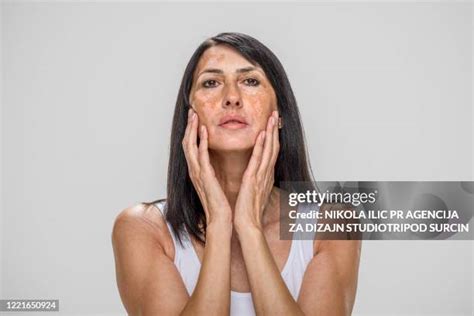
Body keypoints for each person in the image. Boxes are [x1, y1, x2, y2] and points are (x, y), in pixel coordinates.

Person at [112, 32, 361, 316]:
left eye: (250, 81)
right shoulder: (143, 228)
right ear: (189, 114)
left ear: (279, 113)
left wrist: (249, 227)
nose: (231, 98)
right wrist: (220, 223)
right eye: (211, 83)